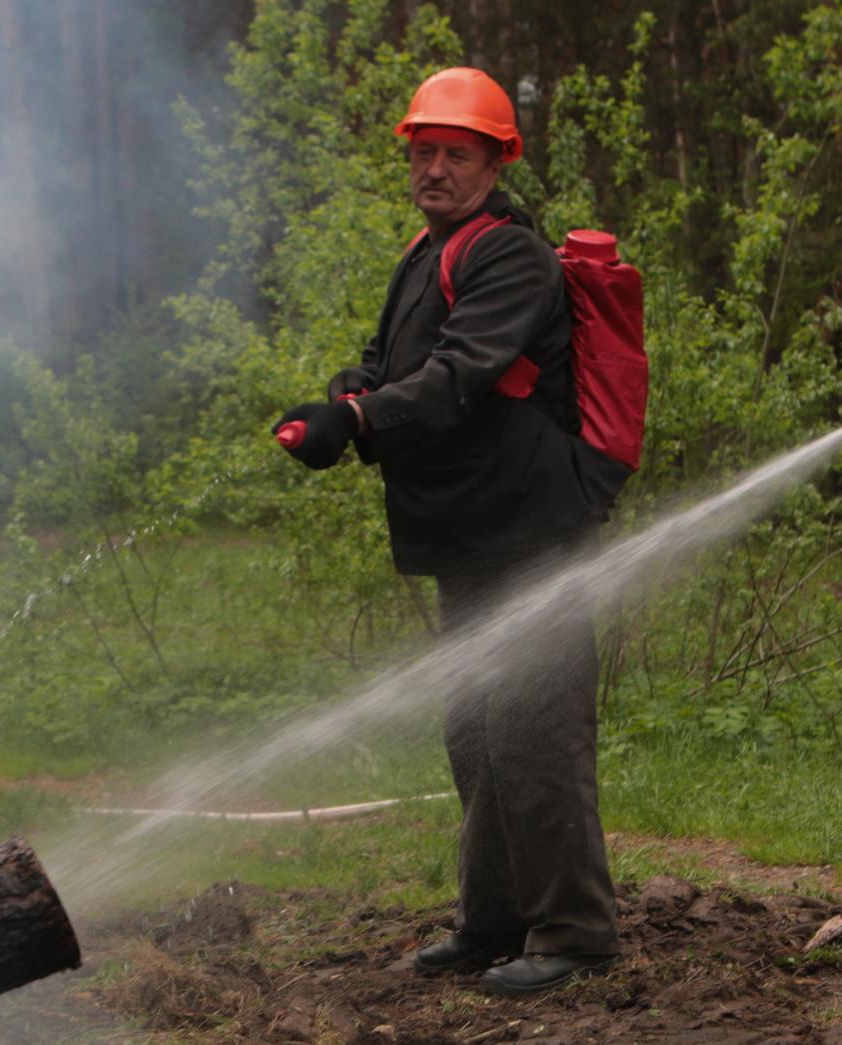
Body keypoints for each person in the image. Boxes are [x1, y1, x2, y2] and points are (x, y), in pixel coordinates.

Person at [273, 67, 620, 997]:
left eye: (454, 154)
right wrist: (349, 391)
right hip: (469, 534)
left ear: (497, 158)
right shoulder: (426, 253)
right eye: (423, 152)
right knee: (474, 731)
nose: (433, 168)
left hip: (530, 531)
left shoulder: (511, 256)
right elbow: (395, 362)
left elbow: (462, 373)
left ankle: (575, 932)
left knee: (536, 732)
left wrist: (361, 421)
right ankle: (495, 920)